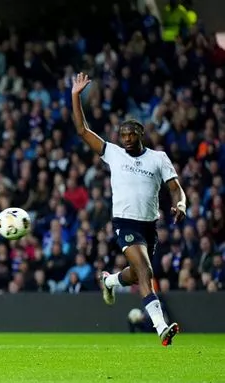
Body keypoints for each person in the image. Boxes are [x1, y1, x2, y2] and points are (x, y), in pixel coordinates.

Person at [71, 73, 186, 346]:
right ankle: (161, 327)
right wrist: (76, 96)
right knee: (146, 272)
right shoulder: (113, 153)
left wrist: (180, 202)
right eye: (123, 135)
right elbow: (82, 131)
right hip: (125, 222)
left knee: (136, 274)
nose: (127, 139)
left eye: (131, 135)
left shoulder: (158, 158)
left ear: (140, 134)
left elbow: (175, 187)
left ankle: (110, 281)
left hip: (149, 226)